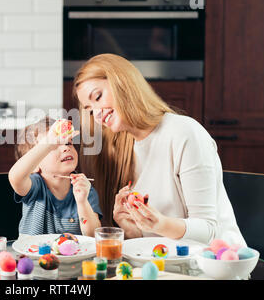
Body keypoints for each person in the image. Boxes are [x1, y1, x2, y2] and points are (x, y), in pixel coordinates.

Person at [73, 53, 246, 246]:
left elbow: (208, 231)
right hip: (164, 264)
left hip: (217, 264)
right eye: (89, 109)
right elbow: (153, 244)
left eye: (98, 97)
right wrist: (131, 228)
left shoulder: (184, 132)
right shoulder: (122, 149)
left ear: (122, 82)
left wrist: (159, 224)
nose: (96, 114)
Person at [9, 117, 102, 237]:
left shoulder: (85, 190)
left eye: (68, 143)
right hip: (33, 255)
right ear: (35, 165)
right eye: (54, 146)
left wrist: (82, 202)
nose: (65, 148)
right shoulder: (35, 186)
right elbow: (15, 177)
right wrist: (48, 143)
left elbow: (93, 235)